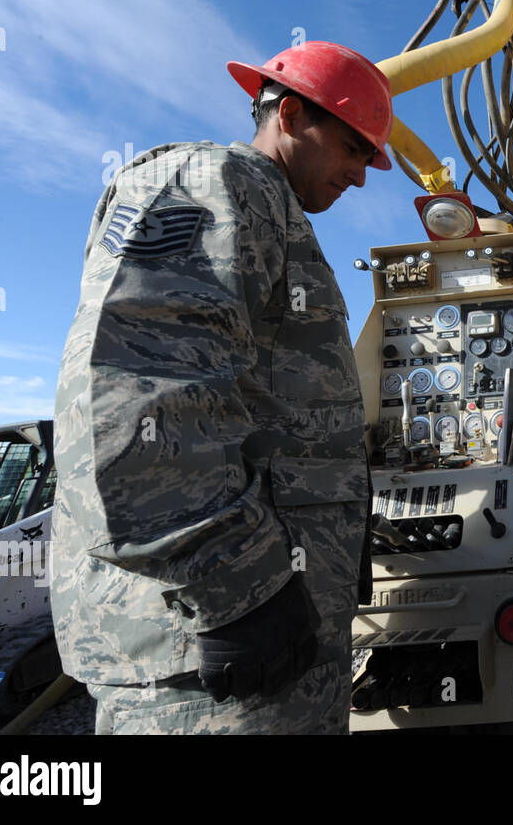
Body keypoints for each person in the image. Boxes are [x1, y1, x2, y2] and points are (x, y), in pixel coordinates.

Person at [51, 40, 393, 734]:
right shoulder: (214, 182)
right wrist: (244, 592)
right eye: (354, 147)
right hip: (210, 660)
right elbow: (135, 399)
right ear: (290, 114)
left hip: (272, 656)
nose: (360, 176)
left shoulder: (272, 211)